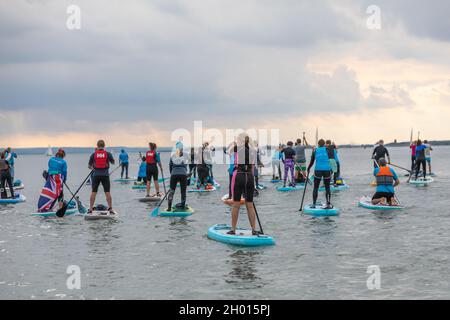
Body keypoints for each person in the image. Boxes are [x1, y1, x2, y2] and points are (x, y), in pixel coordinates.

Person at [228, 134, 260, 235]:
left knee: (236, 205)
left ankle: (233, 229)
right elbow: (252, 165)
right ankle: (254, 229)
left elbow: (228, 151)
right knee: (249, 205)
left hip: (239, 176)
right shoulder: (253, 150)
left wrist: (234, 144)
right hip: (250, 177)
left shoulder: (237, 148)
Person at [88, 140, 116, 214]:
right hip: (105, 175)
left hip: (96, 175)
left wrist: (93, 169)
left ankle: (90, 208)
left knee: (94, 192)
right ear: (104, 146)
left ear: (97, 146)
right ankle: (110, 208)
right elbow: (113, 162)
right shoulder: (107, 153)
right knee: (107, 192)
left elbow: (89, 166)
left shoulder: (93, 154)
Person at [307, 139, 333, 209]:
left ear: (318, 144)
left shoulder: (315, 150)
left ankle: (314, 204)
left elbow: (312, 161)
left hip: (318, 170)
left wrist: (308, 168)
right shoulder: (327, 149)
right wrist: (332, 170)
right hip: (327, 170)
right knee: (327, 187)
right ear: (324, 144)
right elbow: (332, 160)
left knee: (316, 187)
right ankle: (328, 203)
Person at [166, 144, 189, 211]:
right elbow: (186, 166)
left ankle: (169, 207)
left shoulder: (172, 156)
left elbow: (170, 166)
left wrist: (172, 174)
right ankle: (182, 206)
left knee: (171, 191)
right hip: (183, 175)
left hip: (174, 174)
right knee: (183, 192)